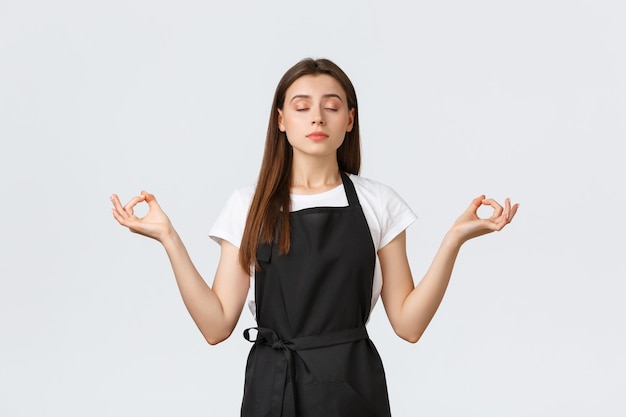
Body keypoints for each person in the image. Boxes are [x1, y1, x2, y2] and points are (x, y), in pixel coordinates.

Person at [111, 58, 518, 417]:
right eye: (302, 107)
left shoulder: (379, 202)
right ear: (281, 120)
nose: (318, 118)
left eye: (332, 106)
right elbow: (216, 325)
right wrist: (169, 238)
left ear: (350, 120)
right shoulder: (247, 205)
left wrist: (453, 241)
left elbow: (409, 325)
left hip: (353, 392)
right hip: (273, 390)